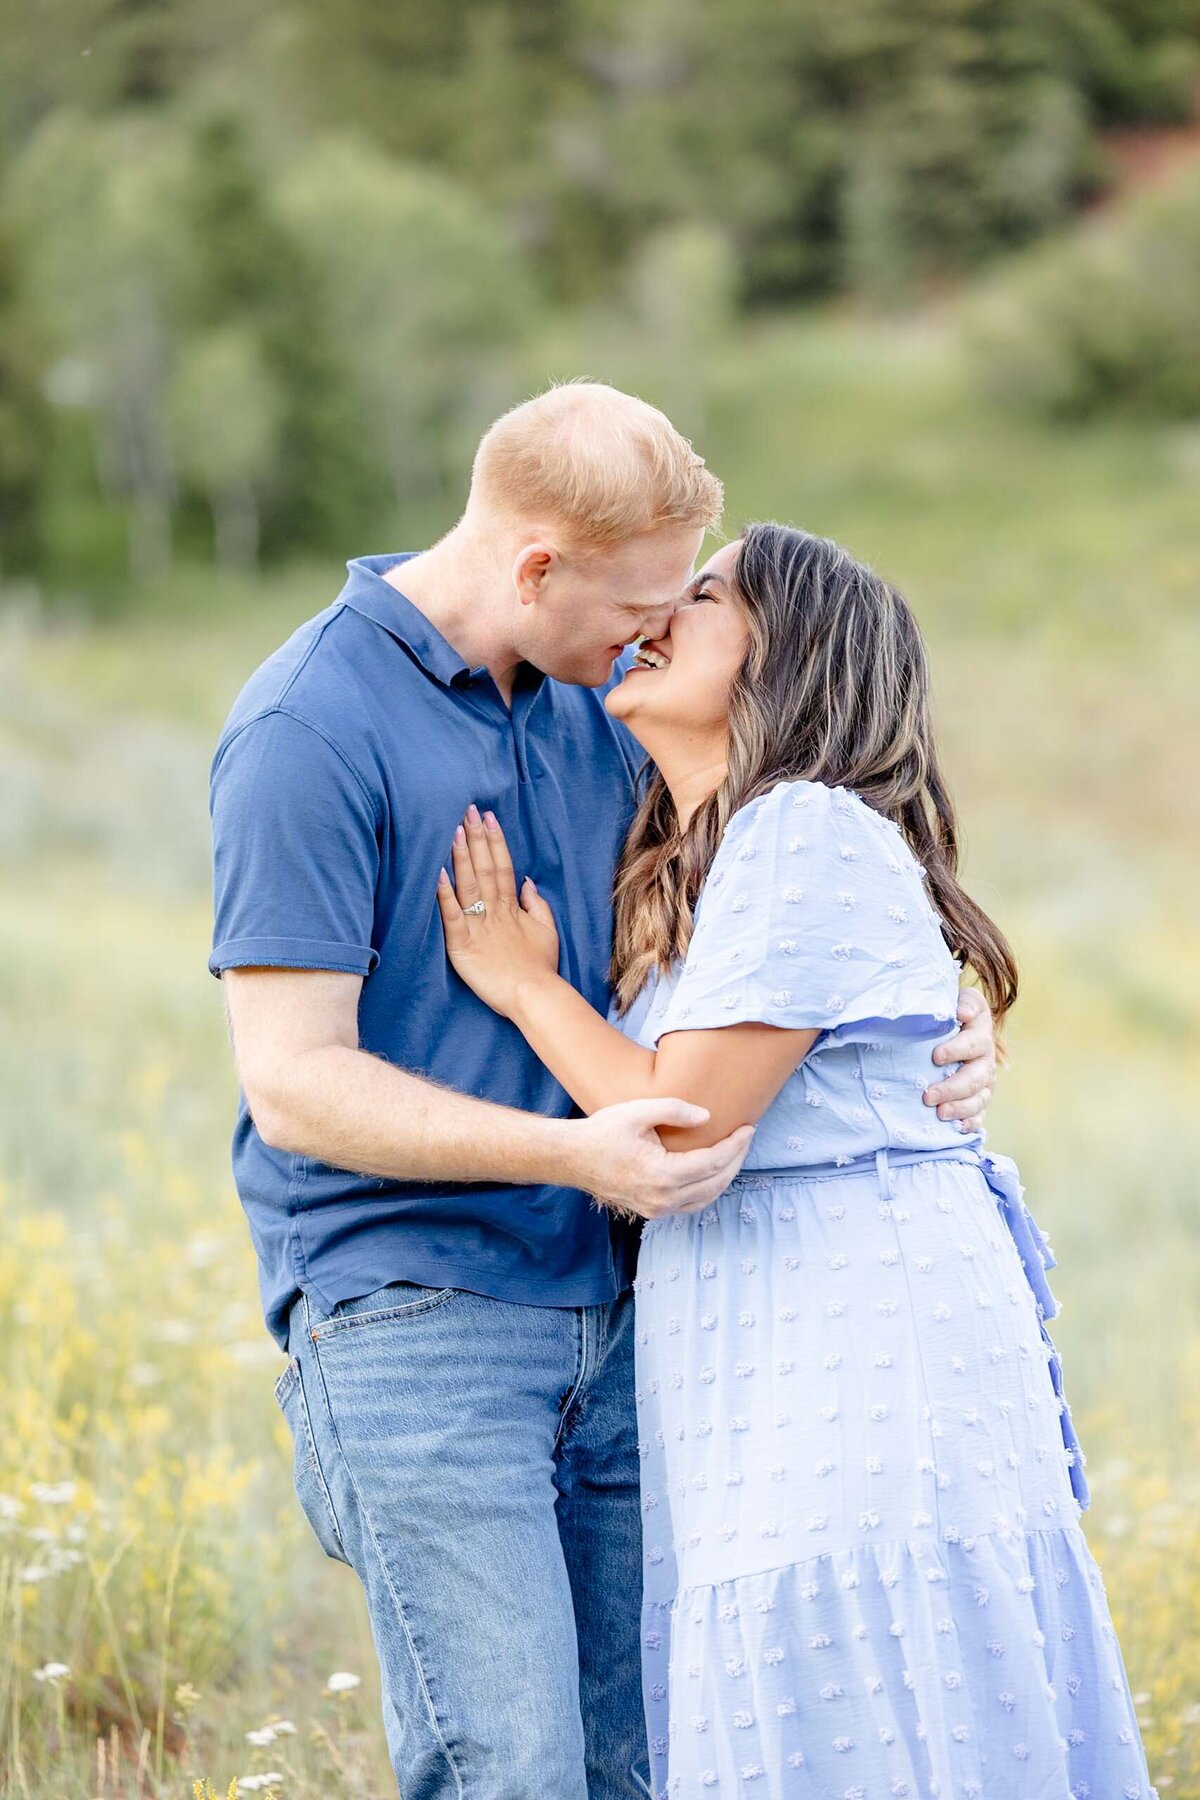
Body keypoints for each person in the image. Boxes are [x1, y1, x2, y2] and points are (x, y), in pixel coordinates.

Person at [208, 385, 997, 1799]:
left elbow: (793, 863)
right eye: (639, 603)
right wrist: (579, 1154)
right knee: (511, 1764)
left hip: (641, 1323)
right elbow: (295, 1087)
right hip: (419, 1316)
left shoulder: (600, 707)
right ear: (532, 568)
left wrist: (948, 1007)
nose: (655, 631)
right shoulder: (307, 729)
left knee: (656, 1764)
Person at [438, 523, 1153, 1800]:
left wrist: (523, 987)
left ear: (785, 658)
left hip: (857, 1336)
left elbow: (685, 1127)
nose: (659, 611)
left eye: (701, 595)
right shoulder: (716, 859)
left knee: (869, 1692)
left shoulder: (801, 832)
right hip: (770, 1330)